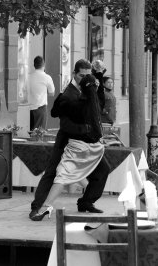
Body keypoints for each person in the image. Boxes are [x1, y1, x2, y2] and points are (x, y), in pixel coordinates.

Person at [29, 59, 110, 221]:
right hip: (69, 140)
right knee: (53, 173)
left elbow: (97, 106)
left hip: (87, 141)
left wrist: (98, 79)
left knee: (102, 170)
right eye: (82, 75)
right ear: (74, 74)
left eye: (88, 75)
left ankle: (86, 202)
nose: (85, 78)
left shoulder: (89, 88)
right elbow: (66, 124)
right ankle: (38, 207)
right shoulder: (69, 93)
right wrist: (87, 130)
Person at [28, 56, 55, 130]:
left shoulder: (28, 77)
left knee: (29, 132)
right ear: (44, 65)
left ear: (34, 65)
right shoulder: (47, 77)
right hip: (40, 108)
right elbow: (52, 93)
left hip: (29, 108)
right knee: (39, 133)